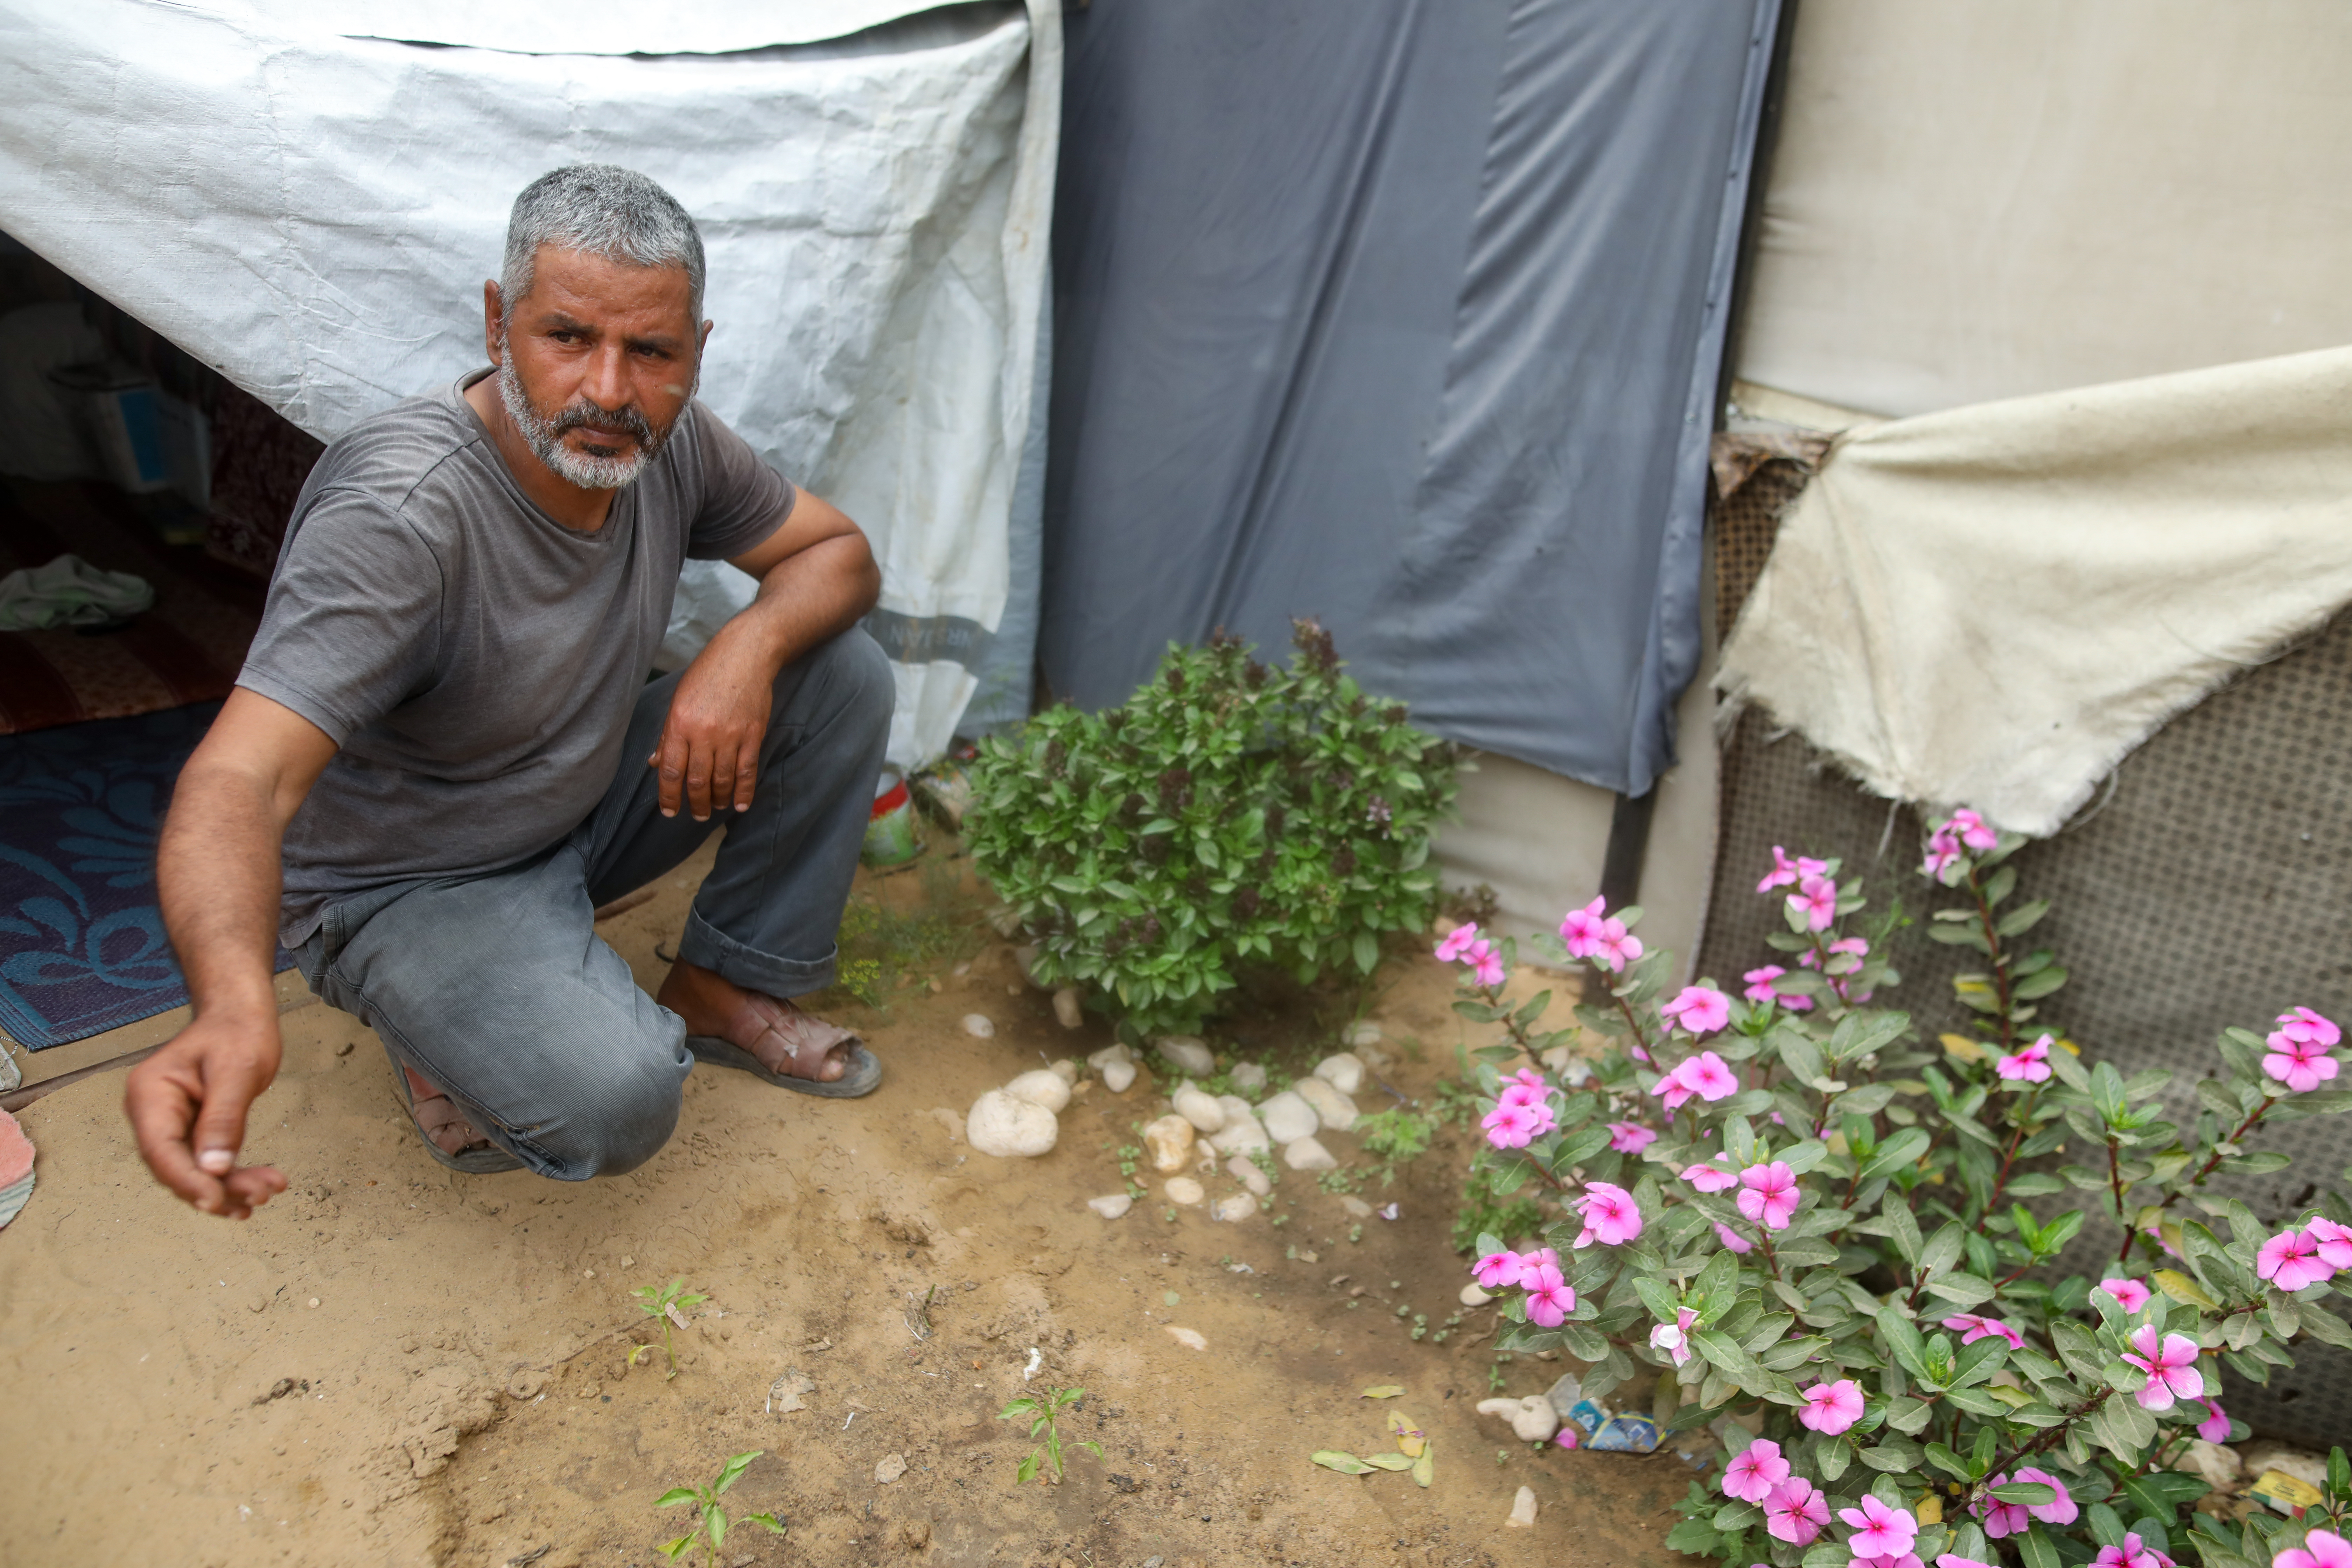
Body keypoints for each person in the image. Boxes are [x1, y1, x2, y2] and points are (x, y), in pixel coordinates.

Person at [125, 166, 894, 1220]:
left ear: (695, 355)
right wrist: (229, 1001)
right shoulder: (404, 515)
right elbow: (240, 780)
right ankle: (441, 1024)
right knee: (618, 1099)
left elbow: (838, 552)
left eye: (653, 353)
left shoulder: (669, 445)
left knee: (836, 667)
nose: (611, 391)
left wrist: (745, 646)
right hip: (409, 883)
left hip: (569, 805)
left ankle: (720, 982)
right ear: (499, 323)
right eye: (568, 337)